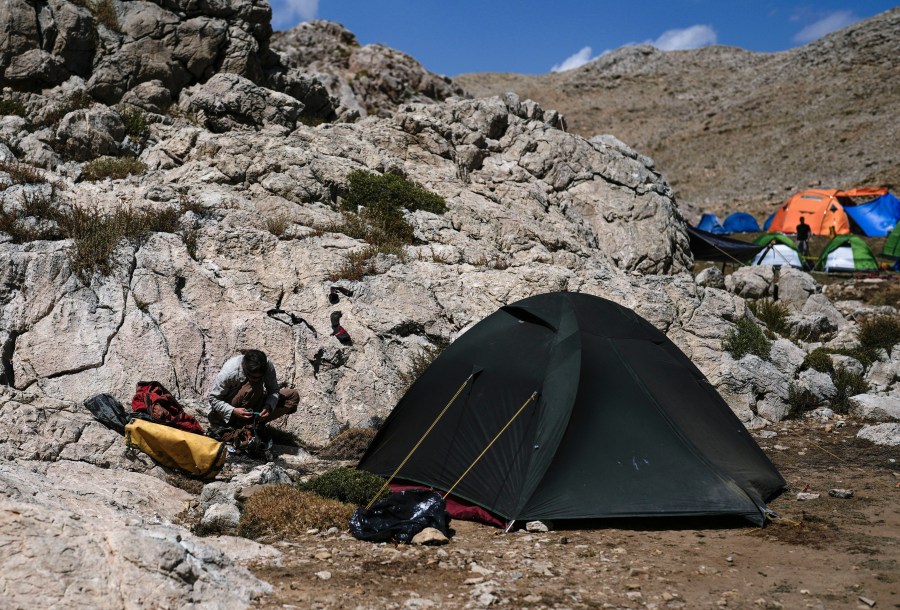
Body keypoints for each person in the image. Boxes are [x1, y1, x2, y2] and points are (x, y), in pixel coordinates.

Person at [207, 349, 299, 429]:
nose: (258, 379)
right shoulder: (230, 371)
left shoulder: (267, 365)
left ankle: (254, 423)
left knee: (292, 396)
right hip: (228, 411)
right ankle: (239, 426)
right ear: (245, 369)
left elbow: (273, 390)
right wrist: (233, 411)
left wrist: (268, 406)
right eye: (254, 377)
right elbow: (213, 398)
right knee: (253, 386)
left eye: (260, 377)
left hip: (253, 404)